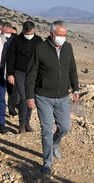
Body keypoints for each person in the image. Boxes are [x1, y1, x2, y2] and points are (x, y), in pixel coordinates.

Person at [25, 20, 79, 174]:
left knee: (64, 127)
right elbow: (31, 74)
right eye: (59, 35)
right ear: (51, 34)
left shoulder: (68, 48)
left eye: (64, 35)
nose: (62, 38)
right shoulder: (40, 49)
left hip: (62, 96)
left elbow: (72, 69)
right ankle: (47, 161)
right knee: (47, 130)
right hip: (43, 96)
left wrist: (76, 89)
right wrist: (30, 96)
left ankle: (55, 145)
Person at [7, 21, 42, 133]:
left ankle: (27, 122)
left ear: (34, 30)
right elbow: (10, 58)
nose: (28, 35)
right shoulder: (16, 40)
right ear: (23, 30)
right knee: (23, 97)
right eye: (26, 33)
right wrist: (10, 74)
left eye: (30, 33)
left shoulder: (38, 41)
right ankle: (21, 124)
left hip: (33, 73)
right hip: (19, 72)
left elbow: (41, 58)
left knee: (30, 97)